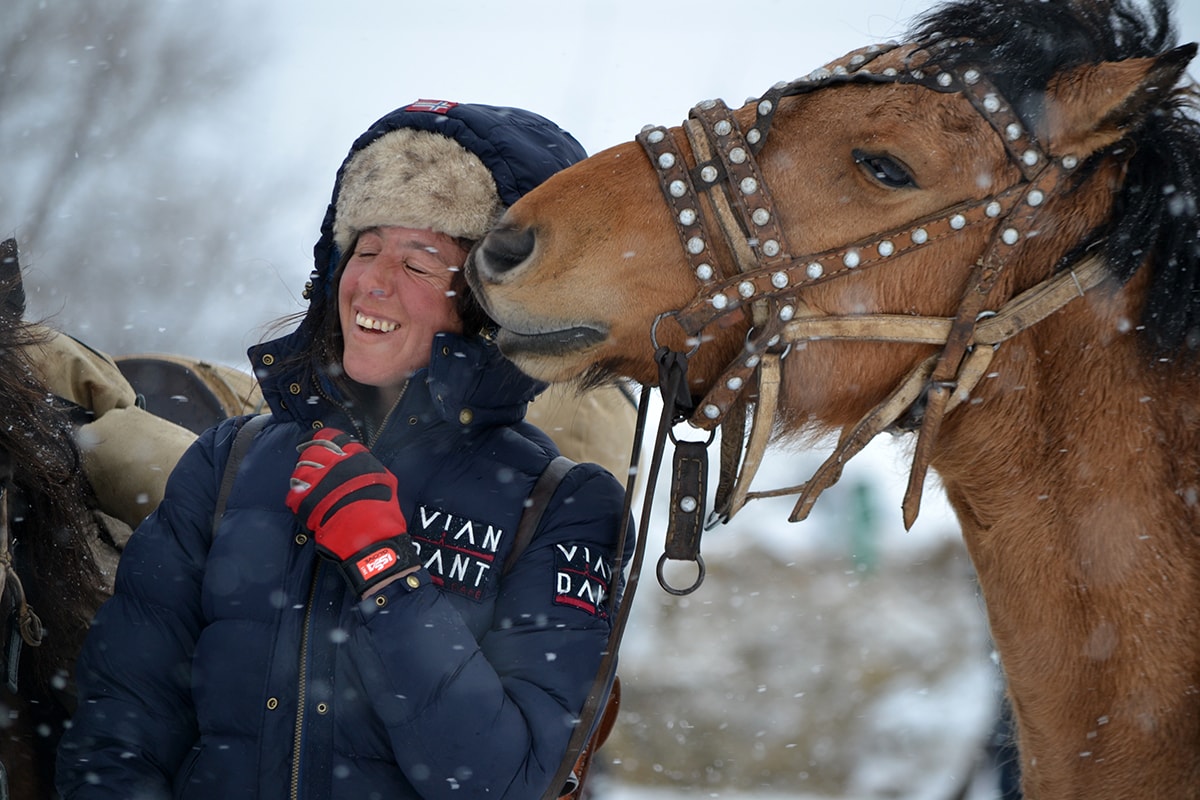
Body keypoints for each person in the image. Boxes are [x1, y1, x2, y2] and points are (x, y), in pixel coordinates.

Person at [56, 100, 631, 799]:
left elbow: (508, 781)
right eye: (364, 248)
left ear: (490, 304)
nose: (373, 282)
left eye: (420, 264)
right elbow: (121, 731)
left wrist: (384, 571)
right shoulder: (229, 464)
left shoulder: (565, 507)